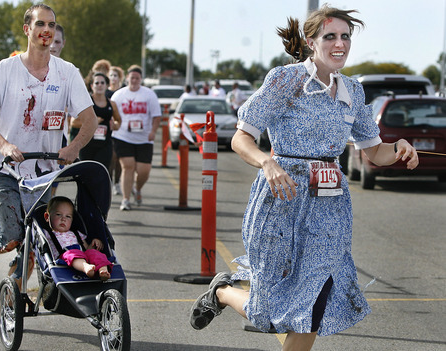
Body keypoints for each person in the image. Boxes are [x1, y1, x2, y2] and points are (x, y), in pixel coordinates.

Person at [189, 6, 419, 351]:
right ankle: (222, 292)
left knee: (315, 301)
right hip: (283, 199)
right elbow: (241, 138)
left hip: (330, 207)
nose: (339, 44)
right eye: (330, 36)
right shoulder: (286, 80)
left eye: (345, 37)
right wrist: (267, 162)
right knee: (268, 310)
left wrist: (398, 146)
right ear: (311, 42)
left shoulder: (353, 91)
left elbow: (375, 152)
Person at [0, 4, 98, 291]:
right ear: (27, 29)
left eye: (52, 25)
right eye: (41, 24)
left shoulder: (67, 73)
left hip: (43, 172)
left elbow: (89, 119)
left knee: (36, 239)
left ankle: (15, 295)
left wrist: (73, 147)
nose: (47, 31)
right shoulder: (7, 69)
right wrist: (3, 144)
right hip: (5, 168)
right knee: (12, 235)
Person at [112, 65, 161, 211]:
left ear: (141, 80)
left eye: (137, 78)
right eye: (132, 78)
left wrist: (153, 131)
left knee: (143, 170)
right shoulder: (119, 95)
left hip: (144, 138)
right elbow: (113, 115)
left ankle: (137, 189)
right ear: (127, 78)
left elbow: (156, 116)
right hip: (123, 136)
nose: (134, 81)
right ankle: (125, 200)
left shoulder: (149, 94)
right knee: (128, 166)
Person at [44, 196, 112, 280]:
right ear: (47, 217)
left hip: (82, 255)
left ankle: (103, 271)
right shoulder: (48, 234)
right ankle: (86, 267)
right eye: (58, 214)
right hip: (65, 258)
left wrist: (93, 244)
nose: (63, 219)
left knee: (95, 253)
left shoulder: (76, 233)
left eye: (68, 216)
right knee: (72, 254)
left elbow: (86, 249)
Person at [80, 72, 121, 170]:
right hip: (87, 144)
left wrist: (114, 125)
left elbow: (119, 121)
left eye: (102, 83)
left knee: (101, 172)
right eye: (97, 83)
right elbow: (74, 122)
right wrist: (93, 122)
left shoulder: (112, 104)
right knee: (85, 175)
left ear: (107, 85)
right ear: (91, 85)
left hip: (104, 145)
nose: (100, 85)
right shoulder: (86, 102)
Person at [107, 65, 125, 195]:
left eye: (115, 76)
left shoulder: (123, 92)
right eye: (111, 75)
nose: (113, 78)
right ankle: (110, 182)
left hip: (121, 128)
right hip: (107, 130)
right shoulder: (104, 92)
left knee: (119, 158)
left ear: (120, 78)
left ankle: (117, 182)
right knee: (110, 158)